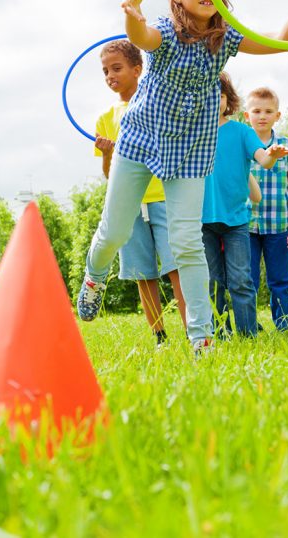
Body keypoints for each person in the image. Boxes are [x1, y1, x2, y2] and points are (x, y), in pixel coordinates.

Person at [76, 0, 288, 354]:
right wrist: (133, 11)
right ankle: (94, 276)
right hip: (142, 139)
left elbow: (281, 43)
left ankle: (201, 337)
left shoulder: (225, 37)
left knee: (187, 243)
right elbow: (140, 36)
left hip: (192, 150)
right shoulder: (164, 30)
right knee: (115, 232)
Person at [92, 39, 187, 345]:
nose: (110, 75)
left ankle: (192, 332)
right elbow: (110, 176)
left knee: (177, 267)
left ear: (137, 69)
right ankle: (160, 336)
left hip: (162, 196)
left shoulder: (154, 103)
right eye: (105, 70)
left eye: (116, 68)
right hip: (130, 205)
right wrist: (108, 153)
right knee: (141, 273)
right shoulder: (106, 119)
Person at [203, 73, 288, 338]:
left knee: (241, 280)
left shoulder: (241, 131)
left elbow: (263, 160)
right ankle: (219, 332)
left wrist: (271, 155)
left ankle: (248, 334)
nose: (212, 99)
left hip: (237, 220)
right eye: (205, 93)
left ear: (227, 99)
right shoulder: (194, 133)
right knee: (213, 282)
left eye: (218, 93)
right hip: (202, 220)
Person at [246, 87, 288, 331]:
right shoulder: (243, 142)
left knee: (280, 280)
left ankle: (282, 326)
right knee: (245, 280)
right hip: (245, 225)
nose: (262, 116)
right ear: (246, 115)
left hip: (279, 225)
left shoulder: (286, 145)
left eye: (268, 111)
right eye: (256, 111)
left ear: (277, 116)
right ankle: (248, 326)